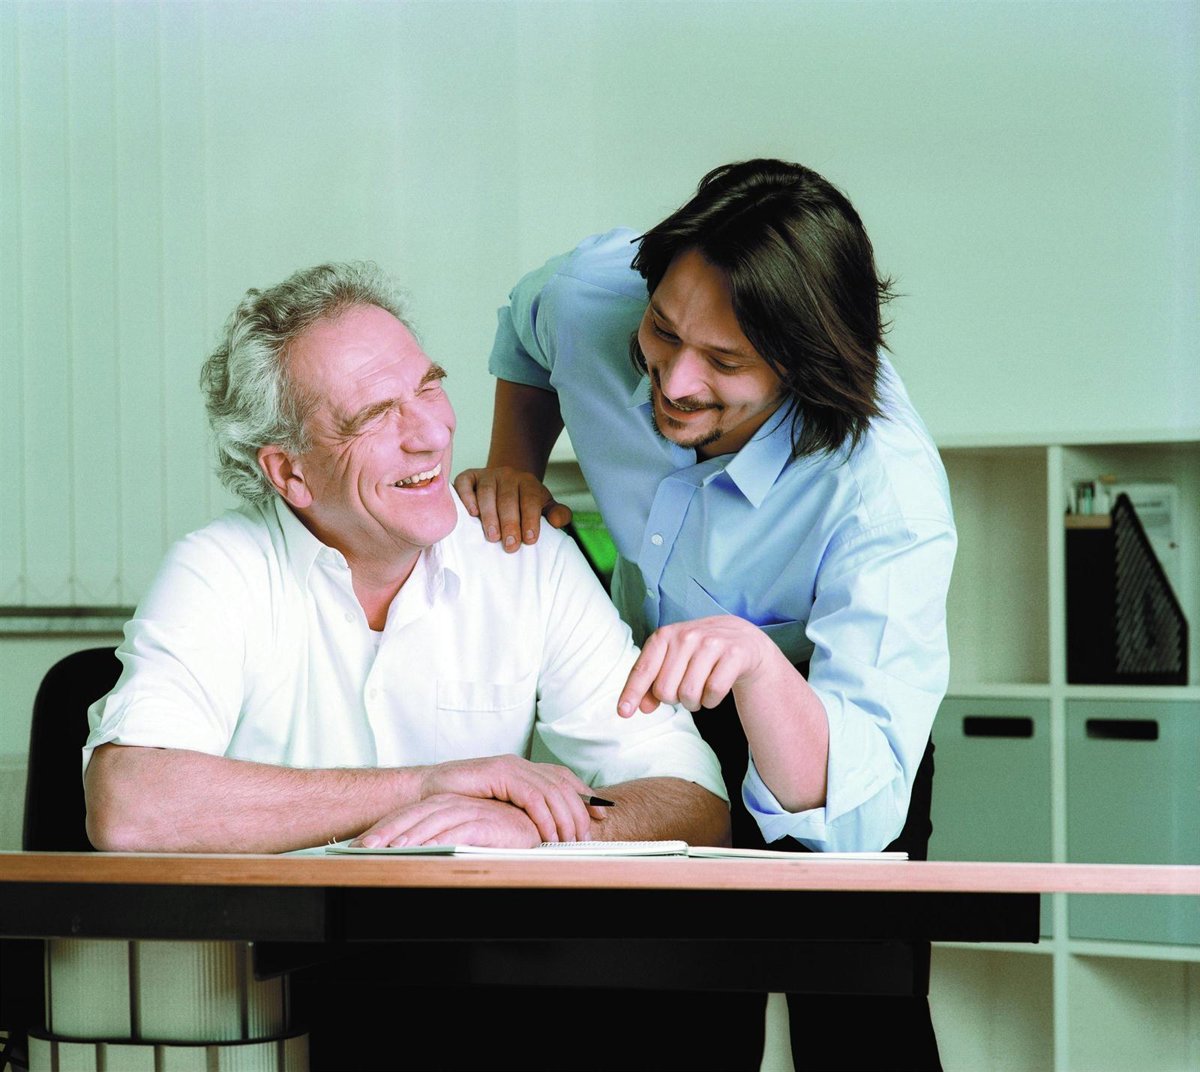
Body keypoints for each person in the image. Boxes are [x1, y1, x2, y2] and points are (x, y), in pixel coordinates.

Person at [455, 158, 957, 1070]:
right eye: (663, 332)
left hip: (822, 722)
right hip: (656, 712)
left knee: (859, 1026)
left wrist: (758, 665)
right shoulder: (592, 296)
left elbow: (848, 810)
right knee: (668, 1013)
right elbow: (527, 334)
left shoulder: (885, 495)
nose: (675, 382)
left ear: (804, 367)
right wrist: (513, 466)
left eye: (724, 363)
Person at [83, 260, 728, 857]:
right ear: (290, 472)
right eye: (374, 416)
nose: (431, 435)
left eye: (429, 387)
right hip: (270, 942)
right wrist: (425, 786)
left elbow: (694, 802)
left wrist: (533, 827)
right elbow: (129, 809)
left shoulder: (528, 559)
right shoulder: (218, 570)